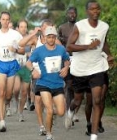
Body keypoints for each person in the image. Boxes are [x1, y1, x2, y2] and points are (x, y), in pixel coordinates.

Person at [65, 1, 114, 140]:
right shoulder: (80, 26)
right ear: (87, 12)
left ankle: (93, 135)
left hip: (97, 67)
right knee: (78, 100)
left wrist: (109, 55)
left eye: (97, 9)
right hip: (80, 69)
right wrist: (88, 46)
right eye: (92, 9)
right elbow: (69, 47)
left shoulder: (104, 26)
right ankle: (70, 111)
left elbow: (103, 42)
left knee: (97, 100)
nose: (95, 11)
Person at [26, 26, 70, 140]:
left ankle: (49, 114)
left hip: (58, 83)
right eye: (48, 37)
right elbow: (28, 63)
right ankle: (49, 134)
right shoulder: (39, 51)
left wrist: (66, 68)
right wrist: (33, 70)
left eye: (53, 37)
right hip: (43, 83)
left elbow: (67, 60)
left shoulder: (61, 49)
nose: (51, 39)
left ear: (55, 38)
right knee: (49, 110)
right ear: (44, 38)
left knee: (60, 112)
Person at [19, 19, 61, 136]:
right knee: (38, 100)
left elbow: (62, 51)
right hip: (38, 73)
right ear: (41, 28)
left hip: (52, 74)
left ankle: (50, 116)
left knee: (50, 102)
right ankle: (41, 126)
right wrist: (33, 33)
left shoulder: (54, 40)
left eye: (50, 28)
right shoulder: (35, 39)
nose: (47, 30)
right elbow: (21, 44)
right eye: (45, 28)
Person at [0, 11, 24, 132]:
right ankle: (2, 121)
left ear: (9, 21)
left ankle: (8, 103)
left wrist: (15, 49)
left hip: (12, 64)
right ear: (0, 20)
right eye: (3, 19)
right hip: (0, 64)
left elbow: (22, 51)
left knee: (8, 94)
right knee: (1, 92)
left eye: (7, 19)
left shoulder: (16, 34)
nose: (5, 21)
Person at [58, 6, 80, 123]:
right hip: (66, 59)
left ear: (76, 14)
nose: (72, 15)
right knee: (69, 85)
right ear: (67, 15)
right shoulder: (62, 27)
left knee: (77, 86)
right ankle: (68, 110)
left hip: (79, 58)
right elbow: (57, 42)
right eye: (70, 13)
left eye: (74, 13)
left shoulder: (80, 26)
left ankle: (75, 112)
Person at [13, 19, 31, 122]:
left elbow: (34, 49)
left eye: (25, 27)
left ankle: (20, 112)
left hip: (26, 67)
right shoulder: (13, 39)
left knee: (24, 92)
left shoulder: (30, 39)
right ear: (17, 28)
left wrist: (30, 54)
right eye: (21, 27)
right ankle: (15, 100)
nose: (23, 29)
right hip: (15, 66)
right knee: (16, 89)